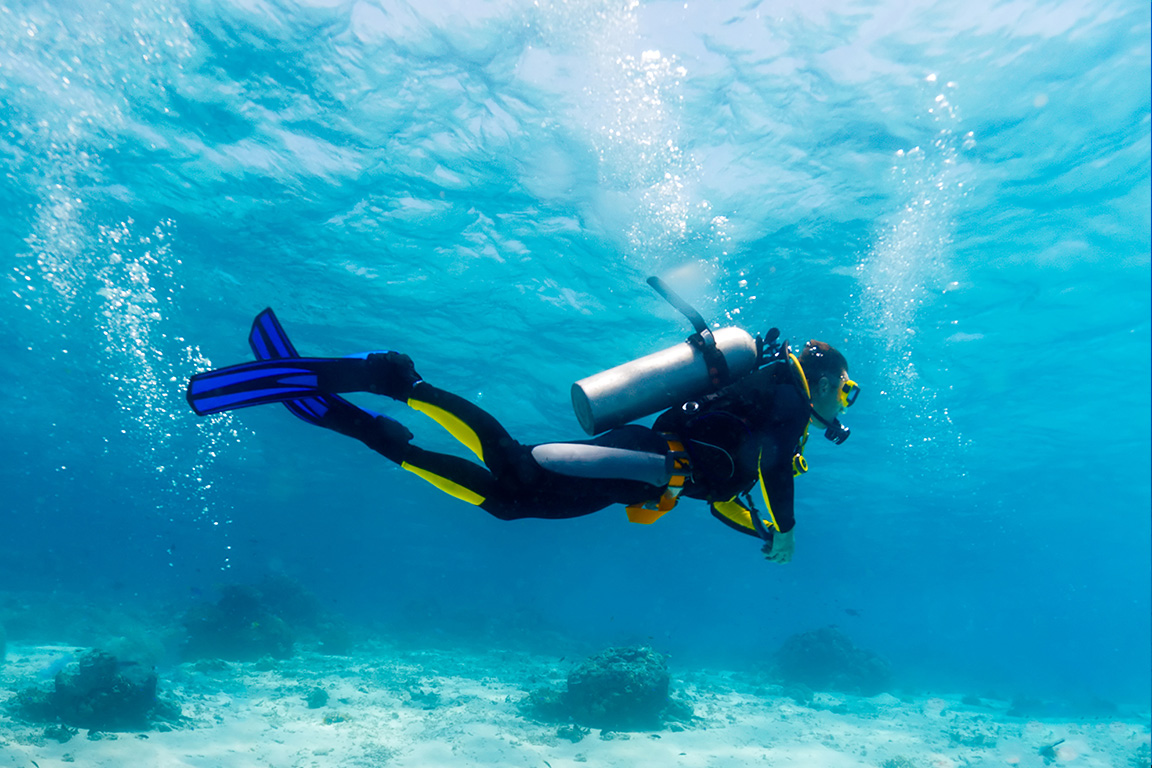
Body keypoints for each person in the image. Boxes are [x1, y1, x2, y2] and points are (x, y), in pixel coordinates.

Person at [187, 303, 859, 564]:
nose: (842, 404)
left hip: (642, 475)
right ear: (824, 378)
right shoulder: (788, 393)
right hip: (643, 460)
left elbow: (728, 493)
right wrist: (788, 529)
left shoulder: (774, 408)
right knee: (515, 465)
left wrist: (762, 532)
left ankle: (376, 434)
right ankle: (396, 379)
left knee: (510, 501)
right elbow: (769, 470)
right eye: (845, 390)